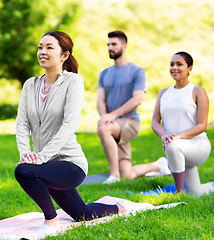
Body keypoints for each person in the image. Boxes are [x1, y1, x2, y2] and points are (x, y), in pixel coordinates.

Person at [14, 31, 131, 235]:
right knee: (82, 215)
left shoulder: (73, 82)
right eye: (40, 47)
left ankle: (51, 222)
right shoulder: (30, 85)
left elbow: (69, 124)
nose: (42, 51)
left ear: (64, 55)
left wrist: (40, 157)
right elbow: (22, 124)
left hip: (70, 165)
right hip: (45, 165)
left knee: (24, 172)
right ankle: (116, 207)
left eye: (50, 47)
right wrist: (26, 154)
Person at [151, 51, 214, 196]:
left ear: (190, 68)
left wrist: (176, 137)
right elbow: (154, 122)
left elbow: (202, 125)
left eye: (179, 64)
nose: (174, 68)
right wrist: (164, 134)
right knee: (196, 193)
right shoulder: (163, 93)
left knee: (172, 145)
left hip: (197, 146)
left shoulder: (197, 91)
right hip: (176, 149)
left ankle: (179, 193)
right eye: (171, 64)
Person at [97, 30, 170, 184]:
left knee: (103, 129)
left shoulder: (137, 71)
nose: (110, 47)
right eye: (108, 44)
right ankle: (159, 165)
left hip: (130, 122)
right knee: (128, 174)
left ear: (124, 46)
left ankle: (114, 176)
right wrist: (105, 117)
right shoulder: (104, 74)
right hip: (113, 123)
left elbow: (137, 99)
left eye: (114, 44)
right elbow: (100, 100)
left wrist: (112, 116)